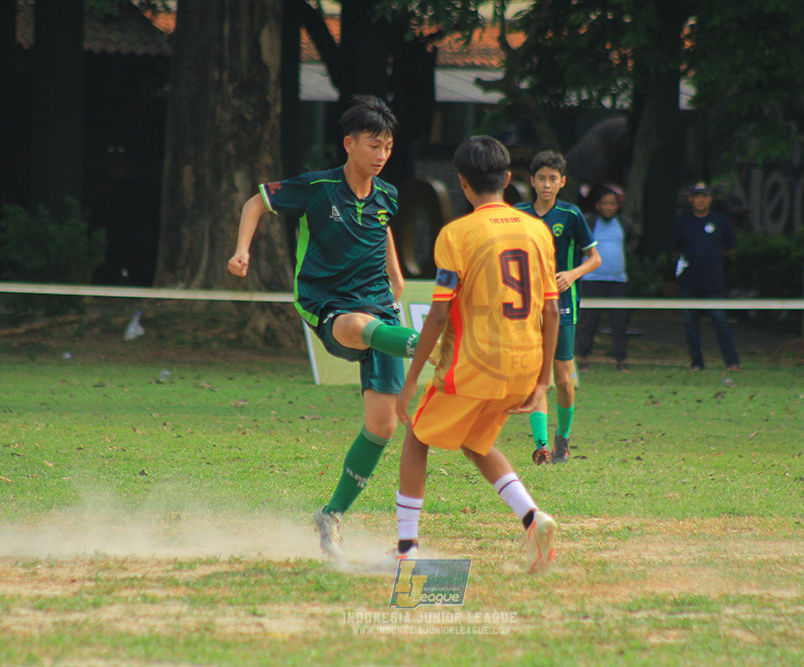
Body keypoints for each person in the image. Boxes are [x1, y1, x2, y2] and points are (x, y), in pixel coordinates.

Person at [227, 95, 420, 560]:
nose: (381, 155)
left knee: (383, 425)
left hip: (379, 303)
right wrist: (241, 251)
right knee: (357, 325)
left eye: (388, 147)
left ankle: (331, 514)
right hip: (327, 302)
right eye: (374, 145)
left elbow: (383, 226)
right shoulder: (317, 187)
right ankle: (429, 345)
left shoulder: (387, 195)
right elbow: (256, 203)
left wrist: (396, 276)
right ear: (349, 144)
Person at [392, 135, 560, 573]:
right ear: (507, 180)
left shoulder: (458, 234)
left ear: (463, 184)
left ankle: (406, 549)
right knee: (474, 440)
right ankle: (532, 517)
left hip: (475, 364)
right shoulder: (537, 230)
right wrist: (543, 380)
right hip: (523, 366)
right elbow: (552, 308)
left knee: (417, 437)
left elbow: (437, 317)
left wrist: (409, 382)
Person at [514, 151, 600, 465]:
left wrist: (572, 274)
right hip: (528, 305)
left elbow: (595, 258)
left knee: (563, 378)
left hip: (563, 305)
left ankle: (562, 439)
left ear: (562, 182)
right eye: (541, 179)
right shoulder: (518, 214)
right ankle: (541, 446)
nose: (547, 185)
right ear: (532, 181)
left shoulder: (571, 214)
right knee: (539, 375)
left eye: (553, 179)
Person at [671, 182, 740, 371]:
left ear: (710, 199)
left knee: (719, 320)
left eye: (705, 196)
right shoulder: (683, 222)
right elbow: (675, 250)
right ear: (691, 199)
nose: (701, 200)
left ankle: (732, 361)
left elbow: (730, 247)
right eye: (697, 196)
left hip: (713, 281)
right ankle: (696, 362)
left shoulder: (720, 220)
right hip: (688, 281)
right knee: (690, 323)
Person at [575, 184, 641, 372]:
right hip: (591, 279)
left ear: (617, 206)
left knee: (619, 323)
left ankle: (620, 360)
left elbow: (635, 237)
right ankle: (583, 357)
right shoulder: (589, 222)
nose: (608, 207)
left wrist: (626, 251)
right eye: (605, 204)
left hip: (617, 281)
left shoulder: (624, 223)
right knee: (588, 321)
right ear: (597, 205)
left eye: (612, 204)